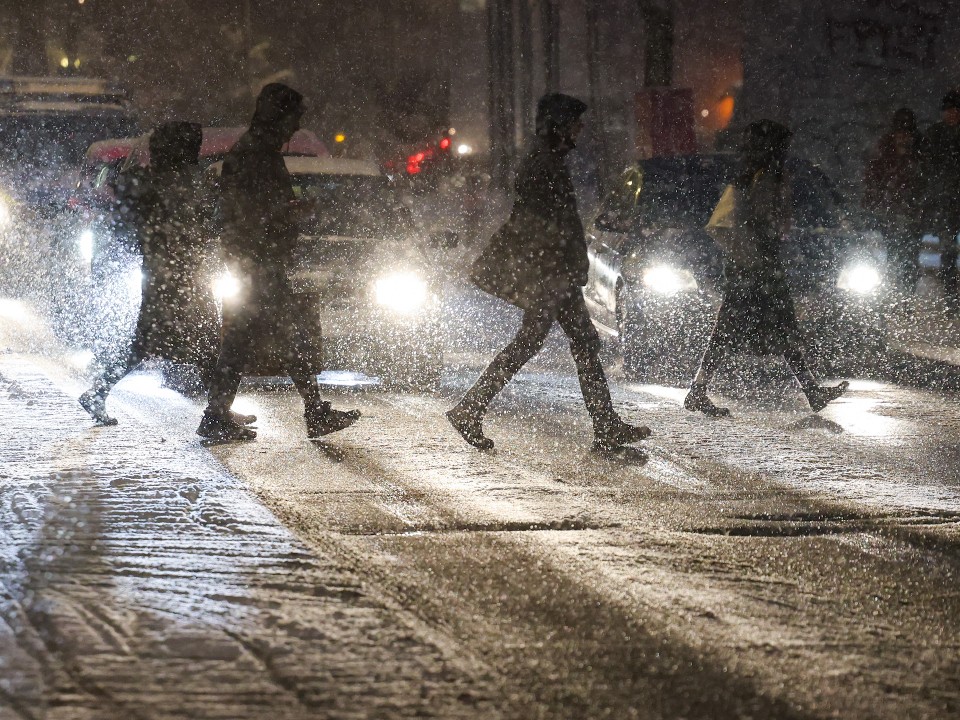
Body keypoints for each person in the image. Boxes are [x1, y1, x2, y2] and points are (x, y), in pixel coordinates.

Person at [447, 93, 650, 451]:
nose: (580, 129)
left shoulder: (547, 161)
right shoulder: (544, 165)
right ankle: (469, 409)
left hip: (559, 271)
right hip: (552, 272)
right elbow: (540, 224)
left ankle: (606, 427)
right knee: (532, 341)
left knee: (584, 341)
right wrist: (560, 265)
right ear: (559, 125)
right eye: (575, 123)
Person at [197, 83, 359, 443]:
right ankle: (313, 412)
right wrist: (288, 214)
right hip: (258, 263)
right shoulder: (256, 154)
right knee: (289, 336)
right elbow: (251, 213)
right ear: (279, 116)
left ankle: (218, 413)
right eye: (295, 117)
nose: (296, 126)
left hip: (252, 261)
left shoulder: (255, 151)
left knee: (245, 341)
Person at [79, 122, 250, 427]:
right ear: (183, 149)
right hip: (181, 277)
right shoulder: (182, 183)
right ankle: (218, 411)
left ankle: (219, 408)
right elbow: (202, 226)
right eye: (192, 146)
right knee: (207, 344)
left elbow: (135, 216)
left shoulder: (148, 181)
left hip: (165, 275)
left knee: (153, 345)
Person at [684, 119, 849, 418]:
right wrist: (777, 230)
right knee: (768, 327)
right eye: (783, 146)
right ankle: (698, 391)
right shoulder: (767, 177)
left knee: (752, 328)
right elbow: (765, 221)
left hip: (747, 265)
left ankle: (699, 390)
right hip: (760, 266)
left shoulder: (750, 175)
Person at [862, 108, 923, 290]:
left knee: (908, 252)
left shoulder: (917, 153)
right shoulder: (885, 152)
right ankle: (898, 287)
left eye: (906, 133)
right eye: (900, 132)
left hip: (908, 211)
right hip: (892, 210)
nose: (903, 137)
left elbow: (922, 181)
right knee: (896, 250)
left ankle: (905, 290)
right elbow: (872, 179)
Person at [919, 90, 960, 306]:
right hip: (946, 198)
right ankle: (951, 297)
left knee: (948, 247)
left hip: (948, 196)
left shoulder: (937, 135)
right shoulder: (936, 135)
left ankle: (952, 297)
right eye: (949, 110)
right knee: (947, 249)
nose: (952, 115)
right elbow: (928, 166)